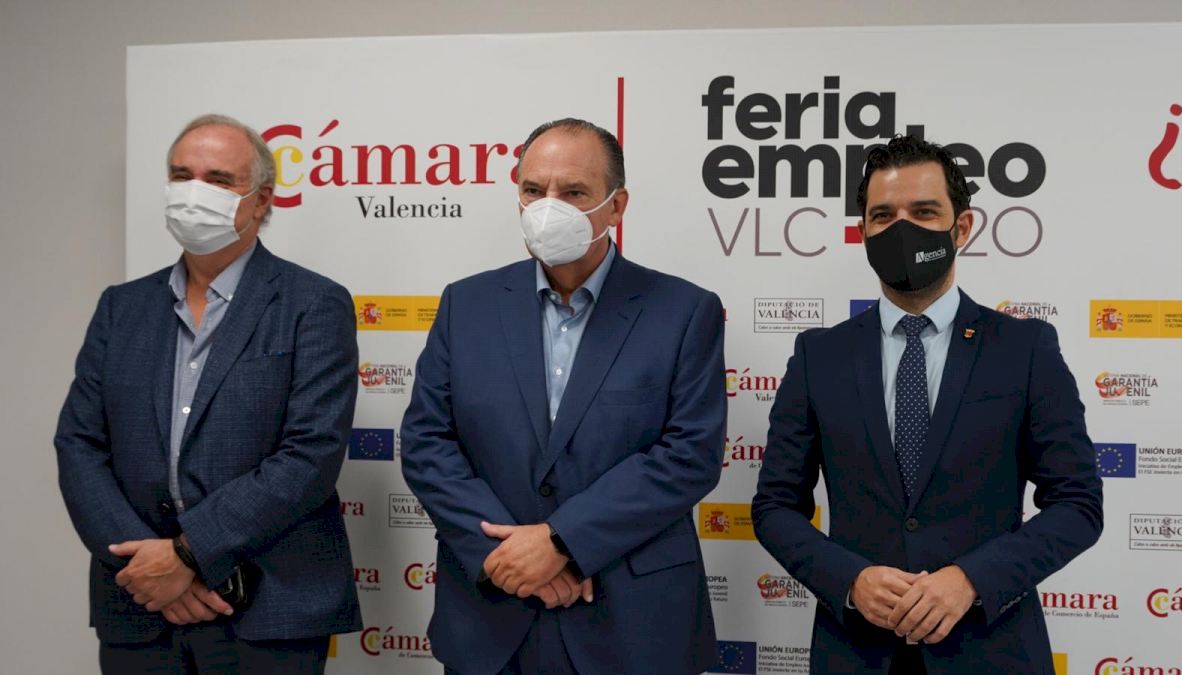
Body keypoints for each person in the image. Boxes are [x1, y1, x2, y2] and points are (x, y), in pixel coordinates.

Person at [752, 135, 1103, 673]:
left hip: (993, 651)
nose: (902, 229)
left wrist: (972, 580)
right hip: (856, 652)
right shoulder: (818, 356)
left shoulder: (1024, 348)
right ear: (863, 231)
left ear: (961, 228)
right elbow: (775, 506)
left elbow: (1077, 503)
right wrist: (850, 581)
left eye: (923, 212)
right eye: (883, 215)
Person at [401, 118, 726, 675]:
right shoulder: (465, 304)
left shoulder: (684, 311)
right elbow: (427, 442)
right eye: (533, 189)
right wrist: (507, 558)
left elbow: (689, 455)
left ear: (616, 206)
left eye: (574, 192)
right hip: (491, 617)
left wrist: (561, 543)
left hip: (633, 623)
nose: (548, 207)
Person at [55, 114, 361, 673]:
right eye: (182, 175)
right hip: (139, 604)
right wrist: (145, 567)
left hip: (269, 605)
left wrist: (186, 554)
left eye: (219, 179)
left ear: (261, 199)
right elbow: (79, 445)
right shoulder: (121, 307)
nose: (195, 192)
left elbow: (310, 454)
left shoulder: (312, 303)